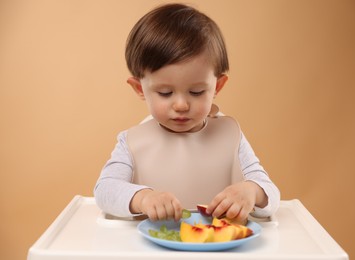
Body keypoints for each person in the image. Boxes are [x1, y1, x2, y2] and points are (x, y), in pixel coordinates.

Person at [94, 3, 280, 223]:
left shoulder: (231, 136)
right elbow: (104, 190)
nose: (181, 105)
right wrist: (142, 198)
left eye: (196, 92)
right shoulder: (132, 142)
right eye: (165, 93)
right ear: (139, 88)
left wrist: (252, 191)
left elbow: (272, 195)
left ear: (217, 87)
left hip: (218, 248)